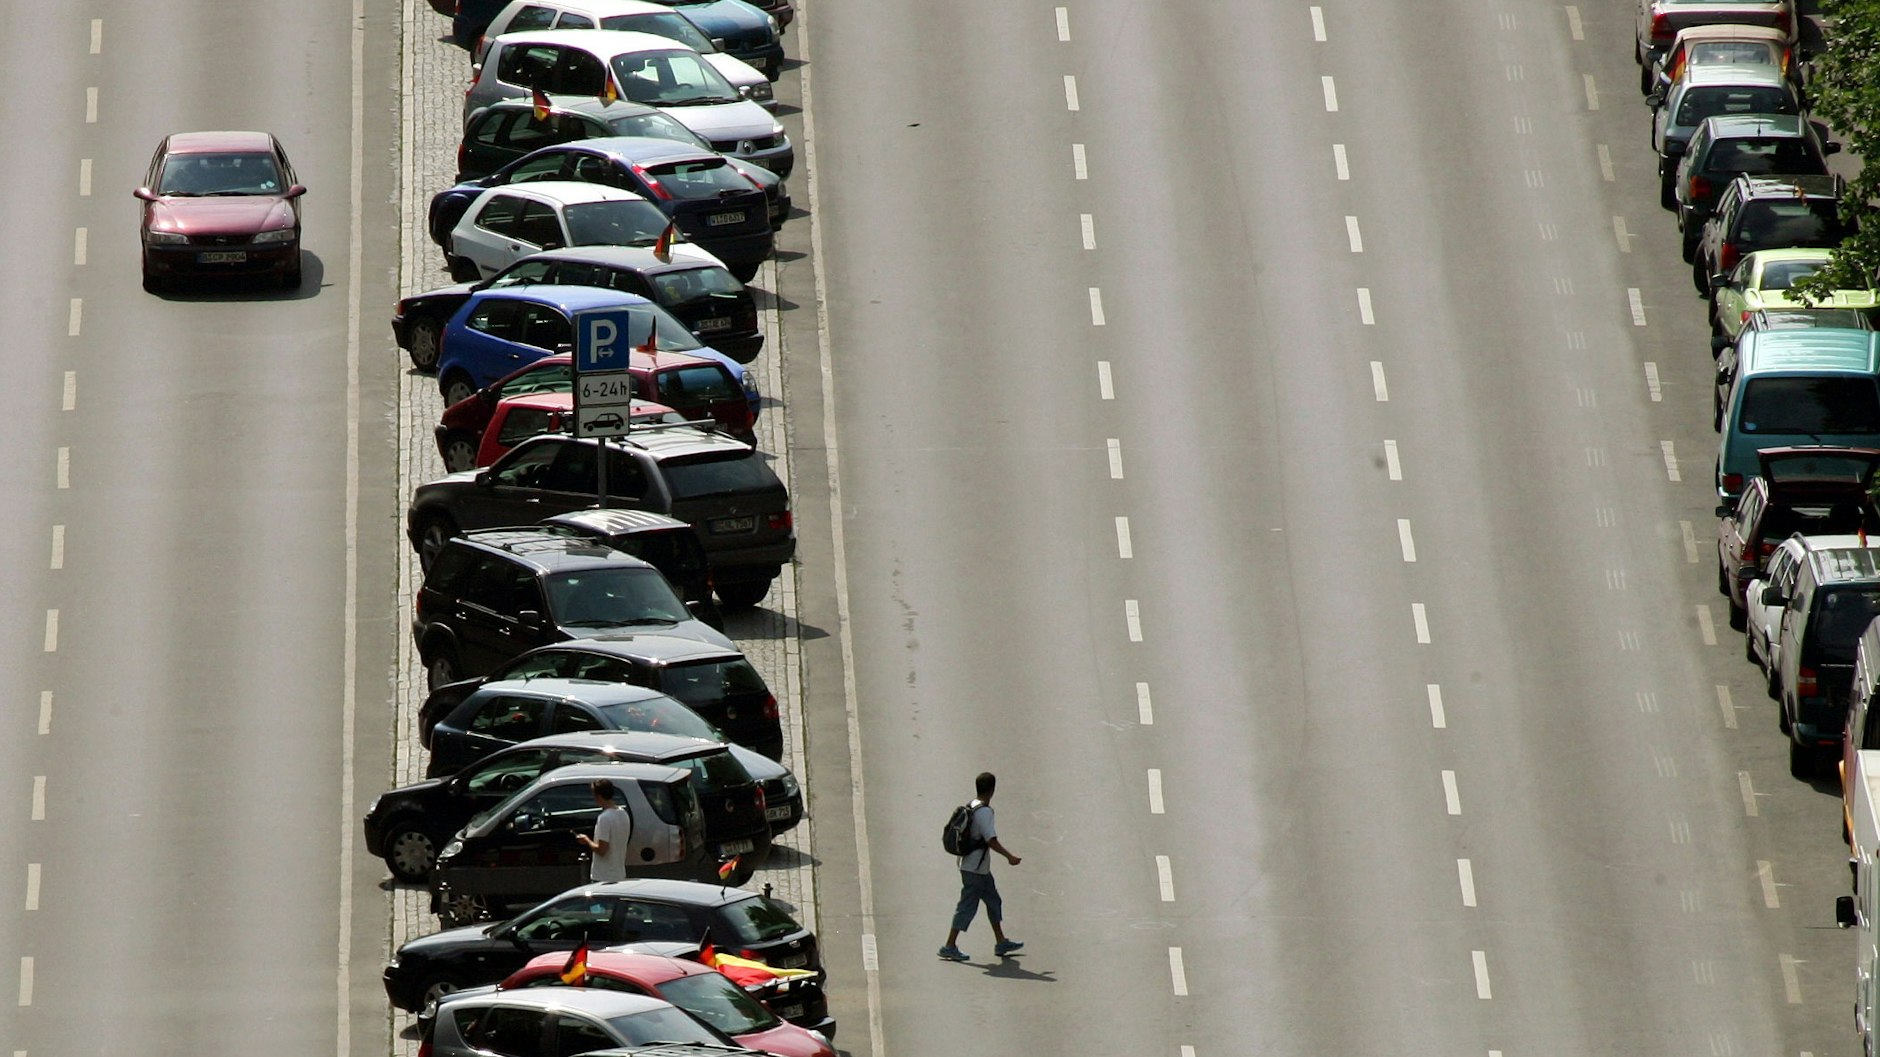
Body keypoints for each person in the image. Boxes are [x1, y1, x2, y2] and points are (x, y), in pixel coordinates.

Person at [938, 772, 1022, 962]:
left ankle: (1001, 941)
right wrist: (1009, 856)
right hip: (975, 870)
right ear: (992, 790)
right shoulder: (985, 812)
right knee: (967, 906)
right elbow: (990, 839)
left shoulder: (972, 805)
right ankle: (949, 945)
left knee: (993, 900)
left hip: (976, 868)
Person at [575, 779, 632, 882]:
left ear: (599, 796)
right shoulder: (623, 813)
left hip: (603, 876)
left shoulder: (604, 818)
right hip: (619, 873)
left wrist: (586, 840)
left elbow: (602, 850)